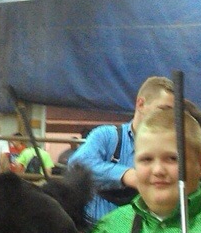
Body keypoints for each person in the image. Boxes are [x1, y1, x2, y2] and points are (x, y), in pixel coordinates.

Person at [69, 76, 176, 223]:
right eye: (163, 110)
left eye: (172, 114)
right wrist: (126, 175)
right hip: (97, 231)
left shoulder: (171, 147)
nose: (167, 118)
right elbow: (77, 164)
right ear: (141, 104)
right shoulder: (107, 136)